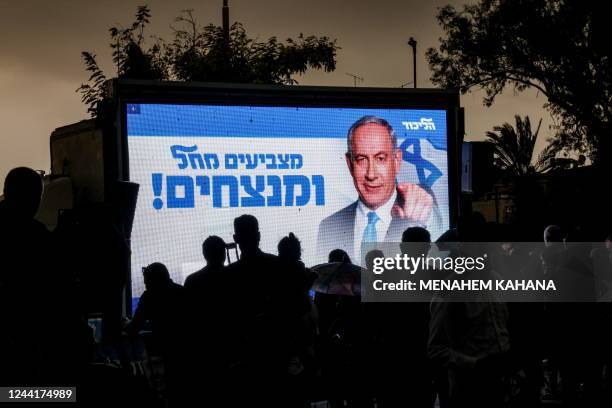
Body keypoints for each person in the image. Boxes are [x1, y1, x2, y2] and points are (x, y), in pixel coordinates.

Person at [317, 115, 434, 262]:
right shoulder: (328, 226)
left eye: (380, 158)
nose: (371, 174)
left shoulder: (418, 212)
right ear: (349, 163)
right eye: (361, 159)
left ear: (397, 160)